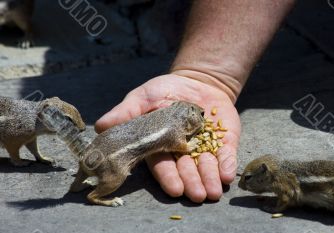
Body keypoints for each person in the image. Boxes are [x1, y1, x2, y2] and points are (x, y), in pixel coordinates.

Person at [95, 0, 296, 203]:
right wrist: (205, 71)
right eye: (199, 115)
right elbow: (180, 144)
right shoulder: (175, 130)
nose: (203, 118)